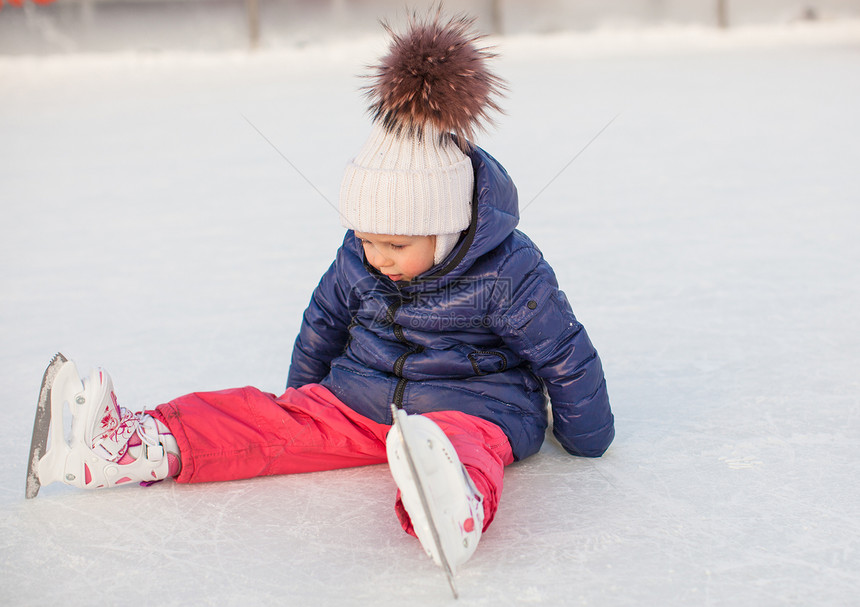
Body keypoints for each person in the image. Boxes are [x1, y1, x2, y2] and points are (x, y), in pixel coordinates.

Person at [27, 10, 614, 573]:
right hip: (359, 401)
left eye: (395, 244)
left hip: (476, 406)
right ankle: (128, 445)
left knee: (464, 443)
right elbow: (323, 322)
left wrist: (587, 439)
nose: (377, 257)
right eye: (365, 240)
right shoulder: (359, 259)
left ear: (446, 230)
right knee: (261, 419)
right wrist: (301, 401)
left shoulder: (509, 271)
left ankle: (449, 502)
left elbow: (564, 352)